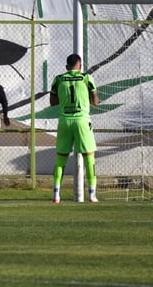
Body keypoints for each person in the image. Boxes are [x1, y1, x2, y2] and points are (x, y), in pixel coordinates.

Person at [50, 54, 99, 203]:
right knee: (89, 158)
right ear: (80, 65)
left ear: (66, 66)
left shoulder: (58, 79)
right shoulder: (86, 78)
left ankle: (56, 195)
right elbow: (96, 101)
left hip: (65, 121)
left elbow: (53, 102)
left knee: (60, 159)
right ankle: (91, 195)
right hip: (82, 121)